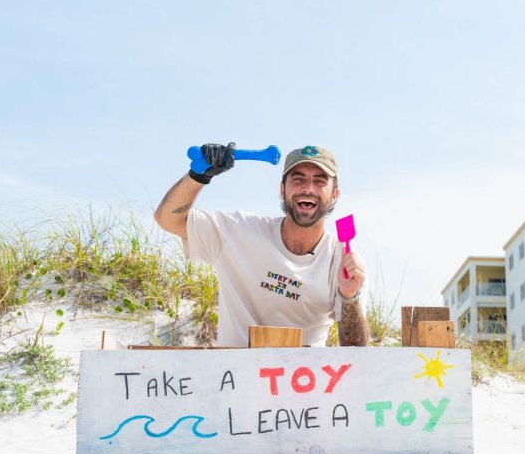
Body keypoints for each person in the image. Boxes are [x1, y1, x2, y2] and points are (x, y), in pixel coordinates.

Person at [154, 143, 370, 347]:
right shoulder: (239, 231)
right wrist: (198, 175)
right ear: (282, 189)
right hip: (234, 379)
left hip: (304, 382)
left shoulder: (344, 260)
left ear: (334, 195)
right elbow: (168, 219)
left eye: (320, 181)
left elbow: (356, 349)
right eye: (298, 179)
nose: (308, 188)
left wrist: (350, 297)